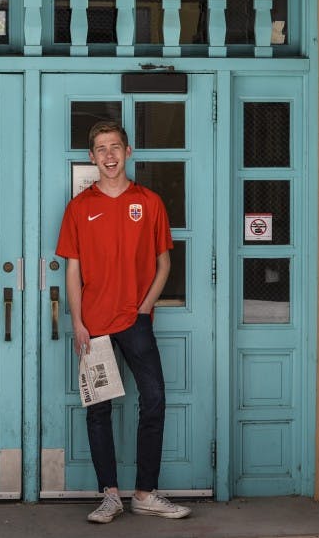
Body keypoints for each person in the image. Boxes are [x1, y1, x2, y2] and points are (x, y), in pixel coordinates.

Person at [56, 120, 191, 524]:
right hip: (94, 324)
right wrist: (78, 322)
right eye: (101, 148)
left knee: (154, 401)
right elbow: (72, 272)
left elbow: (163, 263)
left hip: (135, 321)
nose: (109, 155)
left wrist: (145, 307)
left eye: (115, 147)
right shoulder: (79, 207)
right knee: (99, 409)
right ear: (91, 157)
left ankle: (145, 493)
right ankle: (110, 495)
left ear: (128, 152)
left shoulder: (149, 202)